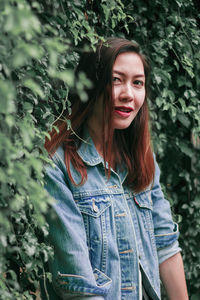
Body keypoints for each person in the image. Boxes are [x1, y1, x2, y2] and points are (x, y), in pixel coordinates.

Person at [43, 37, 188, 300]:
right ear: (90, 85)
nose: (128, 94)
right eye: (116, 80)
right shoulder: (58, 166)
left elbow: (166, 246)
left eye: (138, 83)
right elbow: (80, 289)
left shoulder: (141, 156)